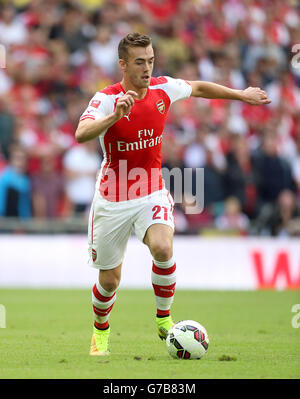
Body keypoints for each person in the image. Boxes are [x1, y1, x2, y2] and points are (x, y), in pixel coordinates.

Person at [74, 32, 271, 356]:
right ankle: (101, 332)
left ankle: (164, 320)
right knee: (109, 280)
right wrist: (114, 118)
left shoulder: (163, 88)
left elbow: (199, 87)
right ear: (123, 64)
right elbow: (81, 133)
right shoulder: (106, 98)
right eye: (140, 62)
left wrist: (242, 94)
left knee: (163, 247)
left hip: (151, 188)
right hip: (112, 198)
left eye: (151, 61)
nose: (147, 68)